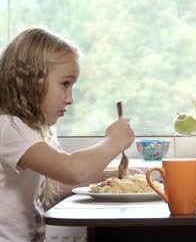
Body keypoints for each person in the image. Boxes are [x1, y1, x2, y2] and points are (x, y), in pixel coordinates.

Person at [0, 28, 136, 241]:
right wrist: (113, 142)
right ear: (30, 81)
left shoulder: (30, 130)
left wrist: (107, 177)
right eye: (65, 84)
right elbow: (72, 169)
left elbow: (55, 183)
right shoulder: (7, 126)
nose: (70, 98)